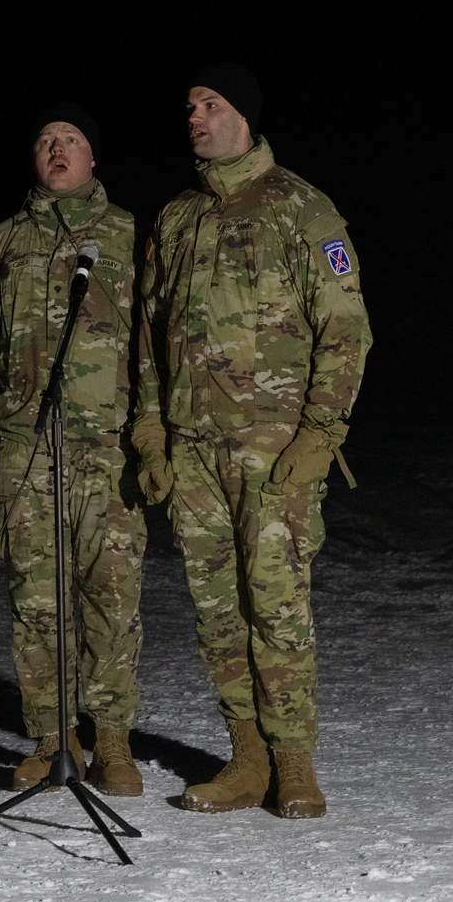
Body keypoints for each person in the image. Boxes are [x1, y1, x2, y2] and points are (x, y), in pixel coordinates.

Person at [134, 63, 372, 818]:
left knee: (277, 602)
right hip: (193, 449)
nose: (195, 117)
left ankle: (294, 760)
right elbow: (147, 333)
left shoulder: (301, 207)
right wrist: (149, 430)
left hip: (274, 449)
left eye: (210, 104)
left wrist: (322, 430)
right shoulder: (175, 217)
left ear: (245, 115)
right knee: (215, 607)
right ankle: (248, 759)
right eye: (190, 106)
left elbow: (347, 329)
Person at [0, 103, 148, 796]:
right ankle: (54, 739)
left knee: (112, 595)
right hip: (24, 448)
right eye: (46, 142)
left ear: (93, 159)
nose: (57, 150)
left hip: (107, 447)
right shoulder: (0, 243)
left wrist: (156, 429)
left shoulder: (129, 236)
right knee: (36, 600)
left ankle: (113, 739)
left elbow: (160, 343)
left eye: (71, 140)